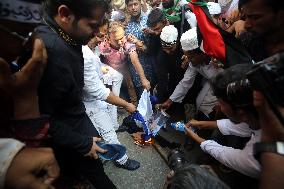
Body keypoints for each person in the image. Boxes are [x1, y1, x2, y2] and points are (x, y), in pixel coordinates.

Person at [35, 0, 117, 188]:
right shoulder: (54, 53)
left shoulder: (63, 33)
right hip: (71, 136)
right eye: (93, 26)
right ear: (64, 14)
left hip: (75, 124)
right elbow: (41, 118)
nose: (97, 33)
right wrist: (81, 143)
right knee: (97, 178)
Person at [185, 64, 261, 178]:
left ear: (241, 112)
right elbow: (242, 127)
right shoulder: (255, 117)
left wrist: (194, 136)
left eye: (221, 103)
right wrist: (201, 124)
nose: (217, 106)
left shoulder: (259, 155)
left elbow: (225, 155)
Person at [238, 0, 284, 188]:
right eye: (245, 17)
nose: (247, 24)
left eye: (255, 17)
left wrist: (275, 143)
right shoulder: (255, 41)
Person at [82, 45, 140, 170]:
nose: (100, 38)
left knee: (117, 80)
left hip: (96, 93)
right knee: (109, 133)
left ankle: (114, 125)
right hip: (90, 102)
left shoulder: (86, 48)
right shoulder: (83, 54)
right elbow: (100, 92)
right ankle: (121, 160)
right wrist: (126, 104)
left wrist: (100, 70)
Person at [157, 27, 222, 119]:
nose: (189, 61)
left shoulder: (218, 62)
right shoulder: (194, 62)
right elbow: (185, 82)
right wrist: (169, 101)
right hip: (209, 88)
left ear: (202, 54)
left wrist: (223, 102)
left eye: (191, 57)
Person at [99, 21, 151, 104]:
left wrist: (143, 79)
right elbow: (98, 60)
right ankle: (113, 104)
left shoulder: (127, 43)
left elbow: (135, 61)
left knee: (130, 85)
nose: (120, 42)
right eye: (116, 40)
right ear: (108, 38)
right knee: (109, 87)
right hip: (109, 68)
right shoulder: (103, 46)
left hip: (123, 67)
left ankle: (134, 104)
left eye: (121, 38)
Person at [125, 0, 156, 97]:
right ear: (127, 7)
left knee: (158, 99)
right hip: (139, 72)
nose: (133, 7)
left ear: (140, 4)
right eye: (130, 5)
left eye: (135, 4)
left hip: (154, 67)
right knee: (145, 103)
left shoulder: (150, 20)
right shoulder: (127, 28)